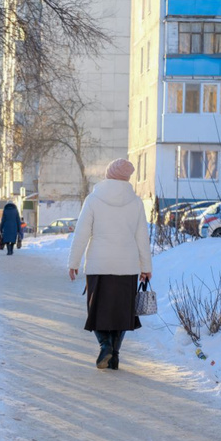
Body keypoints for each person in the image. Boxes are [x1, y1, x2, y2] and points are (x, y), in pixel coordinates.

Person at [68, 158, 153, 370]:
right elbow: (142, 237)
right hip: (127, 267)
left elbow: (81, 234)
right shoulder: (136, 202)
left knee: (97, 311)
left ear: (108, 175)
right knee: (121, 314)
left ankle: (105, 345)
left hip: (99, 266)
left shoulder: (94, 199)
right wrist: (146, 267)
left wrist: (74, 262)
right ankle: (114, 354)